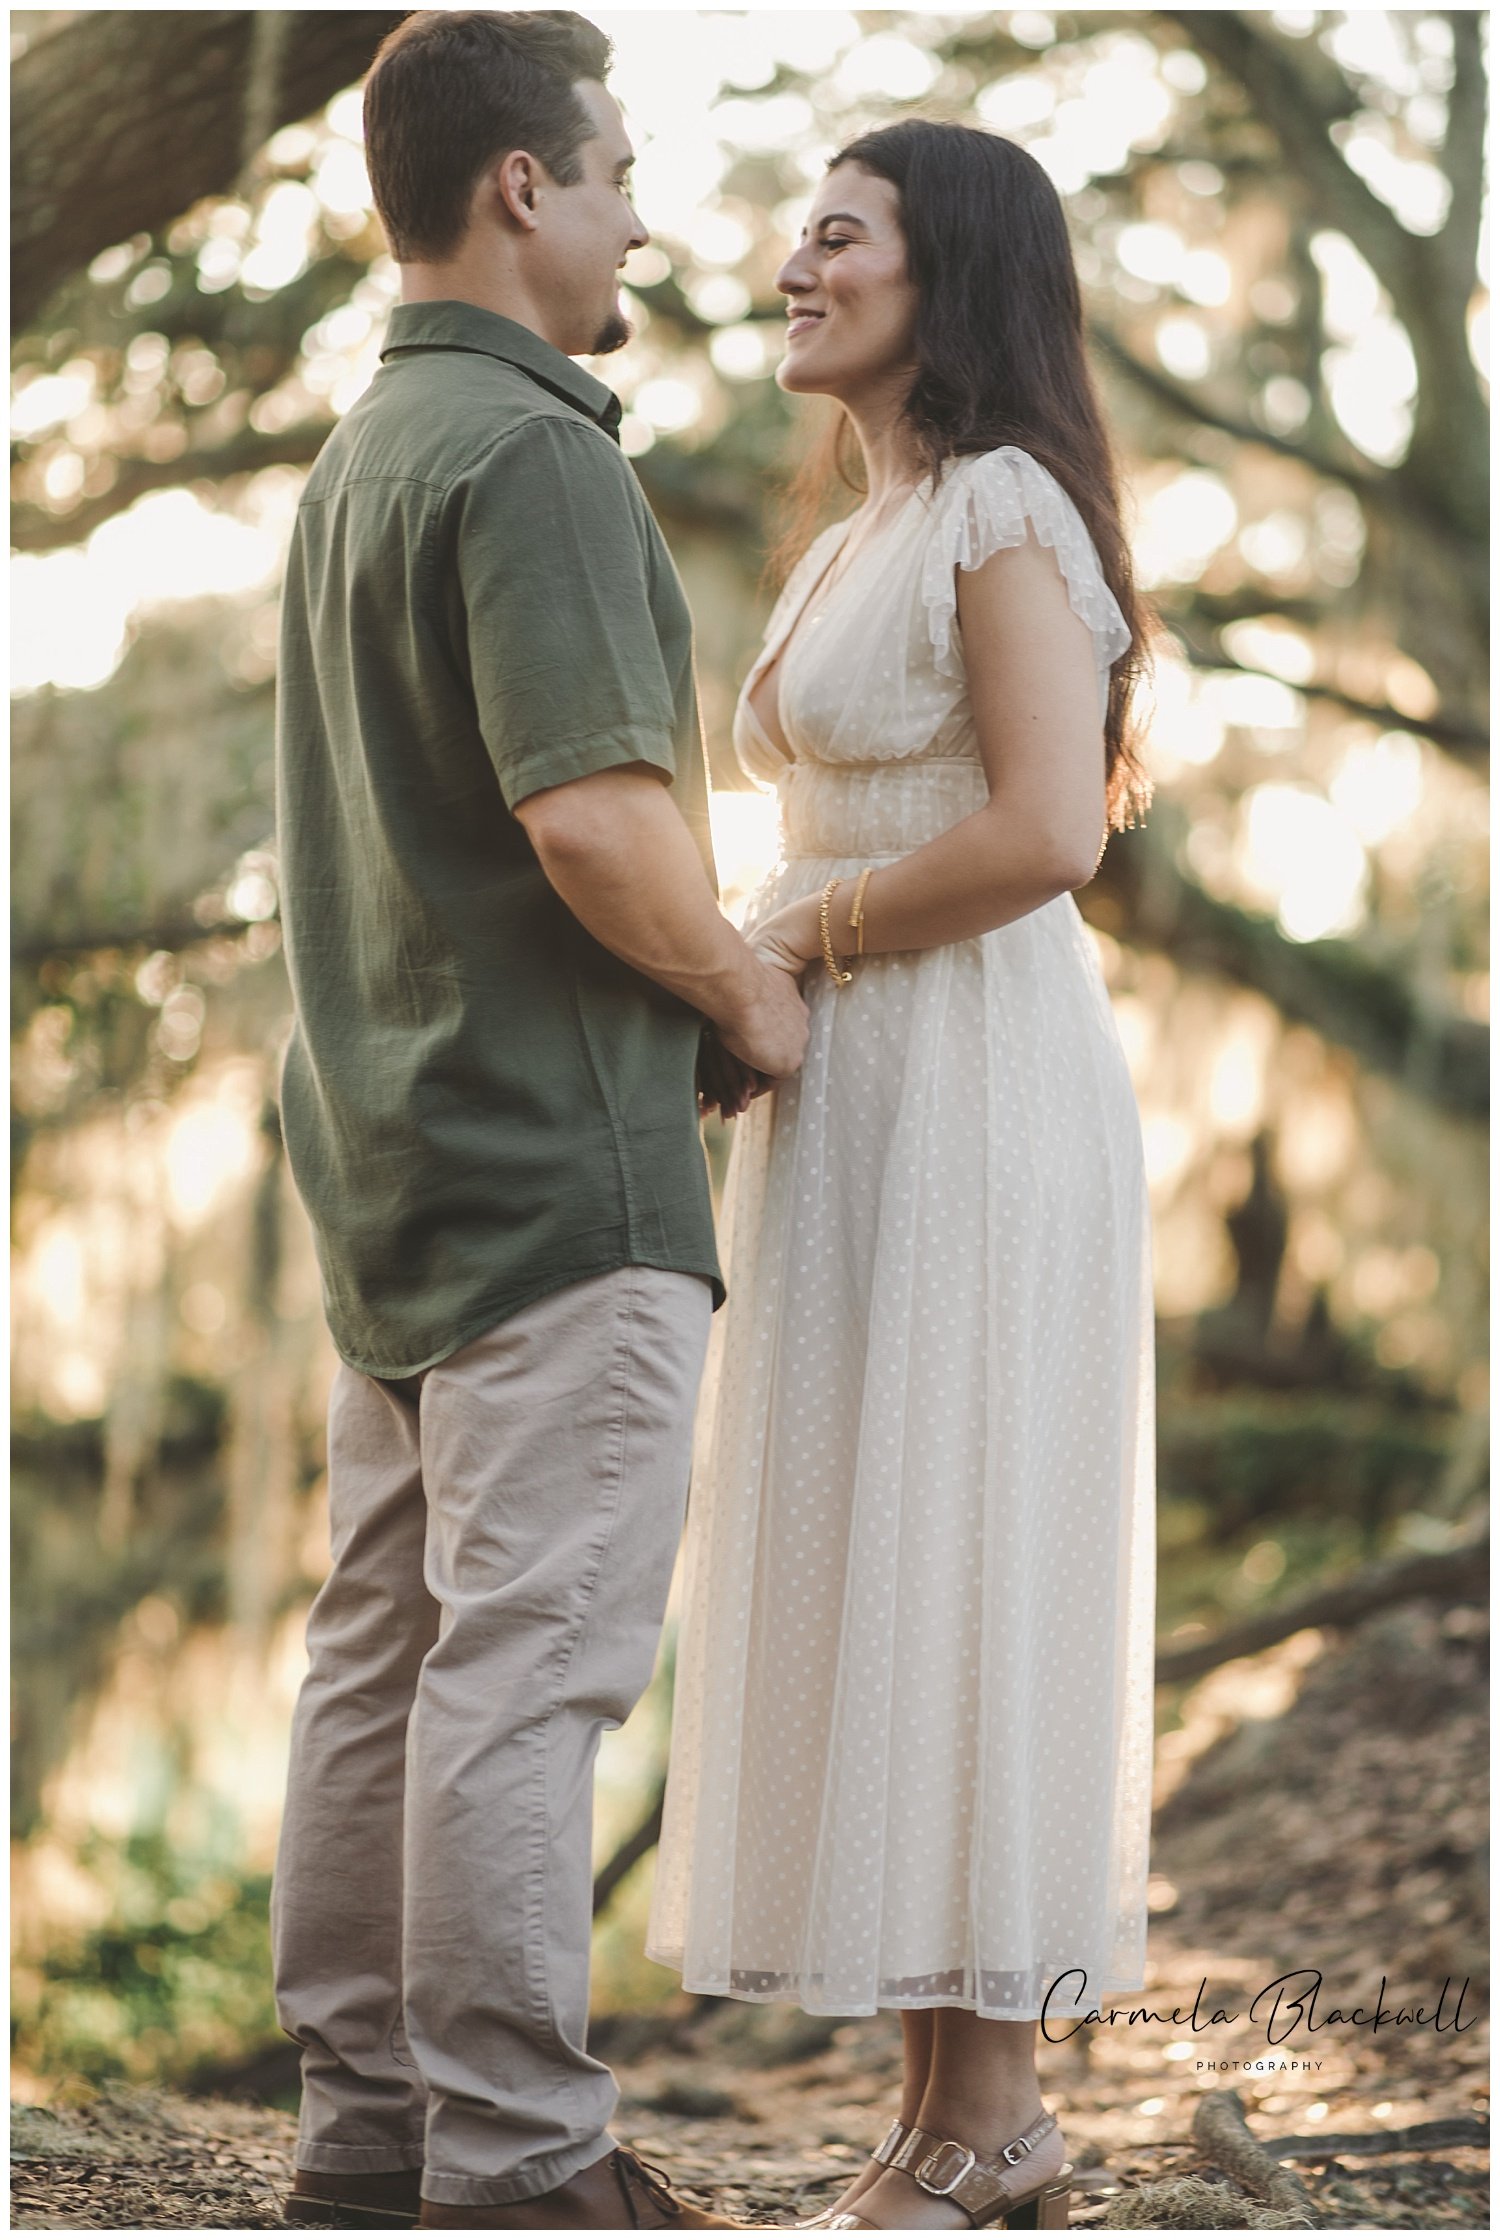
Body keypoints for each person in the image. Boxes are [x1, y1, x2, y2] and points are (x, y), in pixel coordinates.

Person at [269, 12, 804, 2231]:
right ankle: (517, 2161)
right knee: (524, 1674)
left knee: (381, 1653)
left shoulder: (355, 462)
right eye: (615, 169)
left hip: (391, 1175)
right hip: (558, 1169)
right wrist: (749, 988)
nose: (643, 214)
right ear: (519, 187)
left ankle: (368, 2136)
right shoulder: (536, 457)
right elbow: (595, 822)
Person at [645, 120, 1158, 2234]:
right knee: (877, 1533)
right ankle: (940, 2111)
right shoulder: (857, 532)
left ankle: (1010, 2105)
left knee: (965, 1528)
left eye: (837, 233)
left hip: (974, 1082)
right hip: (851, 1093)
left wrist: (782, 935)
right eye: (801, 230)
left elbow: (1051, 828)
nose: (793, 261)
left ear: (946, 278)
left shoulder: (1005, 508)